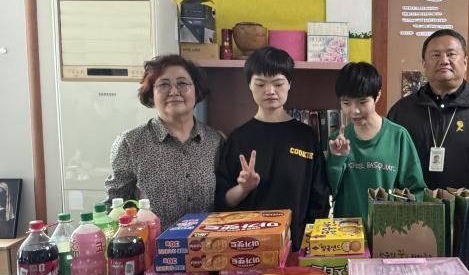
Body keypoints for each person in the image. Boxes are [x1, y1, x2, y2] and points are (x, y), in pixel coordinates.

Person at [214, 47, 329, 250]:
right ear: (249, 85)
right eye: (260, 84)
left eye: (278, 83)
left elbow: (319, 199)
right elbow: (222, 202)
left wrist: (309, 246)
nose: (270, 91)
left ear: (289, 84)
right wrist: (243, 188)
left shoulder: (306, 137)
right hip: (247, 249)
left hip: (296, 247)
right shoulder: (237, 139)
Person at [105, 54, 223, 230]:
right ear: (151, 94)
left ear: (196, 91)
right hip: (152, 245)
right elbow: (114, 207)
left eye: (182, 83)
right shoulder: (130, 143)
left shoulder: (215, 141)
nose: (174, 91)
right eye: (163, 84)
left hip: (206, 244)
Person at [387, 29, 469, 190]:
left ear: (465, 62)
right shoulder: (402, 111)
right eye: (436, 55)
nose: (444, 61)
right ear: (424, 63)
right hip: (416, 205)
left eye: (451, 54)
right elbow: (390, 168)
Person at [327, 62, 425, 224]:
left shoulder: (398, 136)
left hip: (388, 231)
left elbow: (416, 190)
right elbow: (330, 191)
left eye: (362, 102)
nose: (354, 111)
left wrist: (402, 224)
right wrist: (337, 160)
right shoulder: (337, 140)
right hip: (347, 231)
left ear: (377, 96)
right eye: (346, 103)